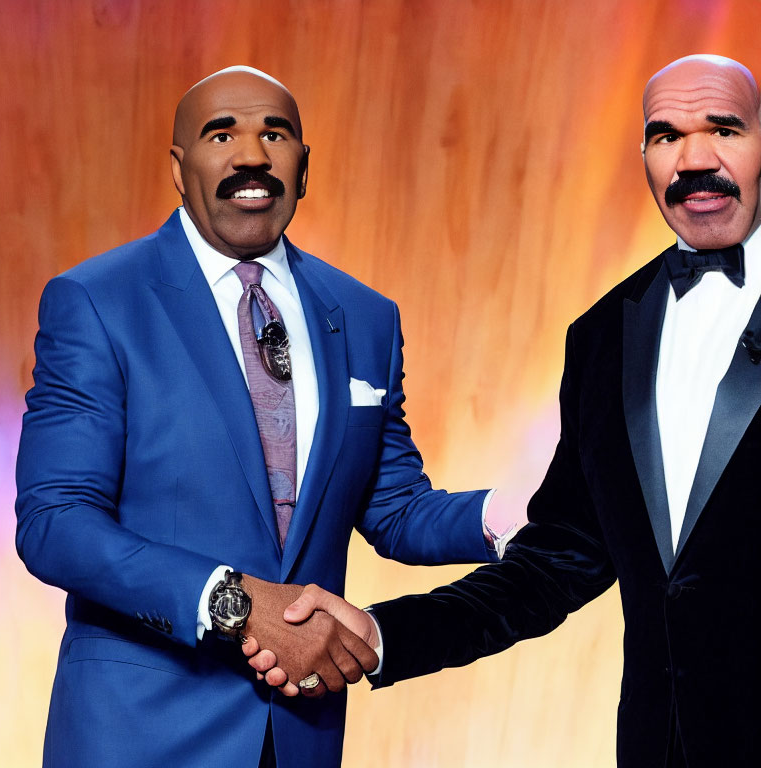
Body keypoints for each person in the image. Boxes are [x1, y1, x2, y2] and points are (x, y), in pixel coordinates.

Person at [248, 55, 761, 768]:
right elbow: (560, 558)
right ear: (644, 154)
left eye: (725, 128)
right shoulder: (603, 334)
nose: (694, 159)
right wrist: (377, 633)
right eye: (666, 135)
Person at [14, 66, 523, 768]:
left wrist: (512, 509)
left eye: (274, 133)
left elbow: (395, 509)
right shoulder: (98, 301)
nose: (251, 155)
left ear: (303, 167)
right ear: (178, 166)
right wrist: (236, 603)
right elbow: (56, 524)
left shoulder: (367, 317)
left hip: (299, 735)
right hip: (138, 737)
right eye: (221, 133)